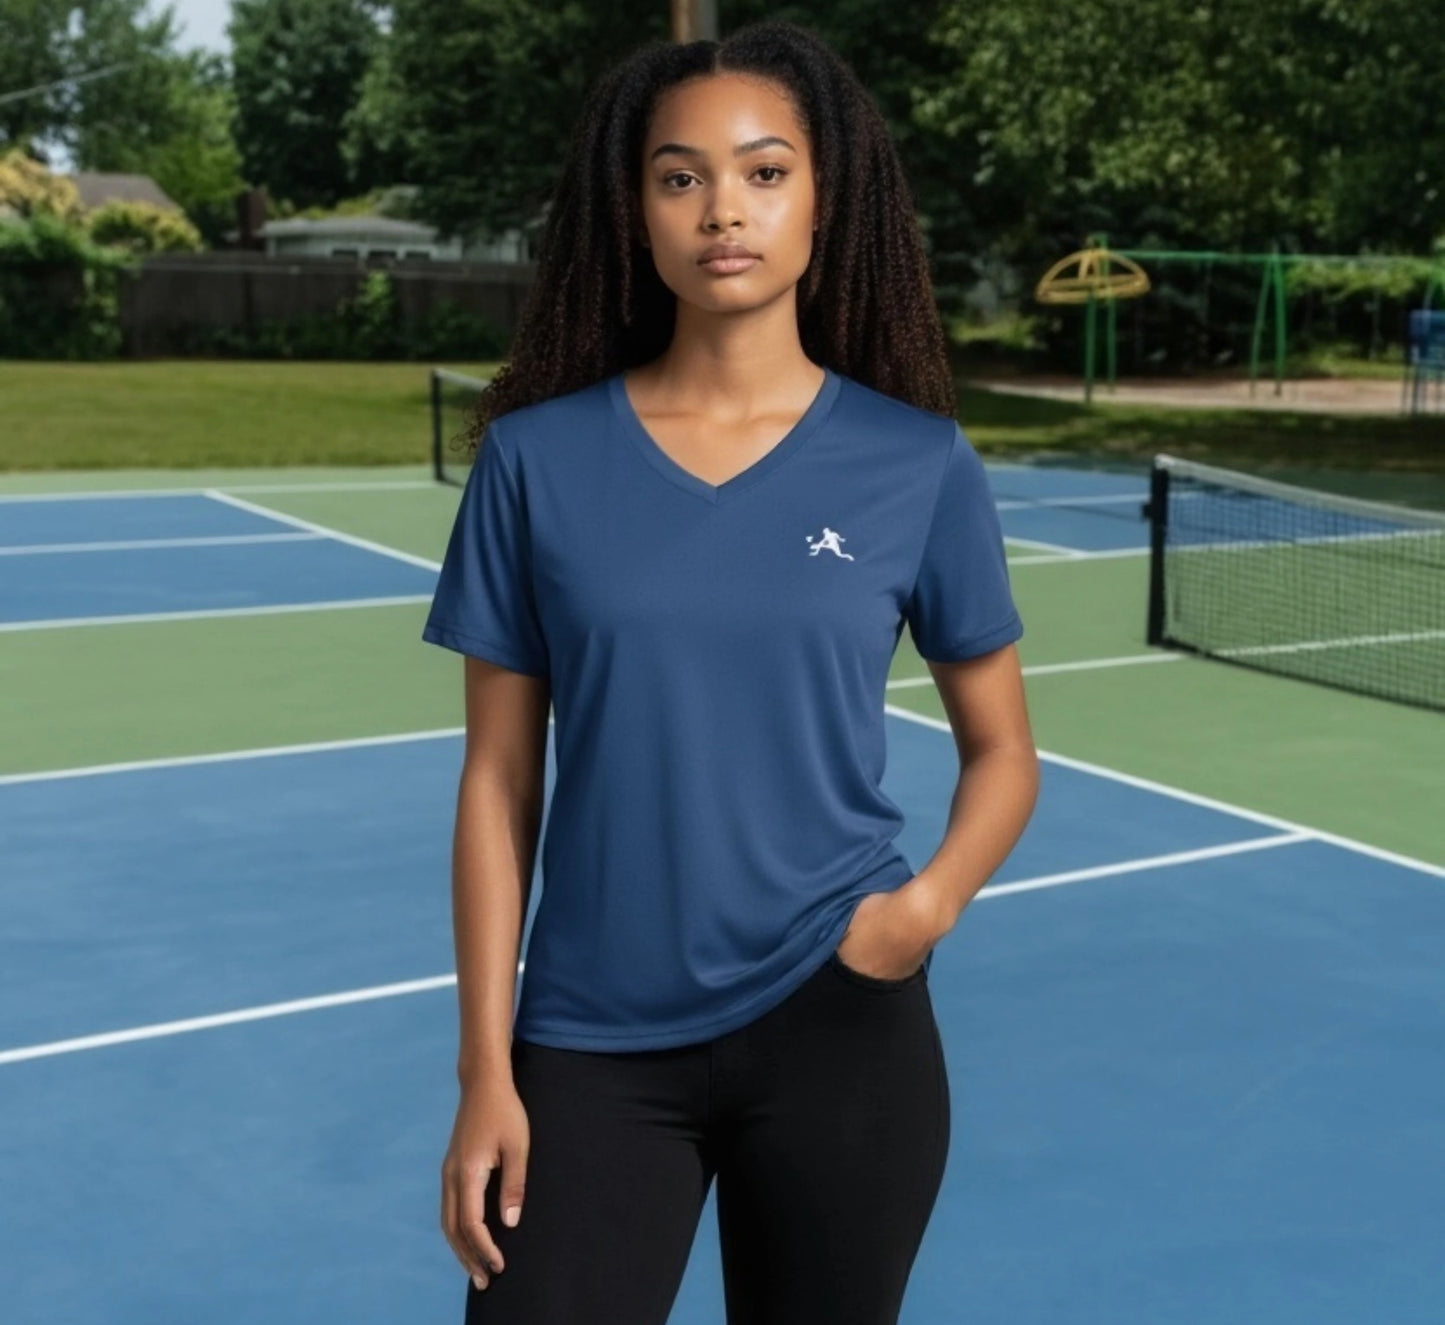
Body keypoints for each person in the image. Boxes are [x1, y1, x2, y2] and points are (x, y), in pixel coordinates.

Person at [421, 18, 1039, 1324]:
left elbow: (1003, 751)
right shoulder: (532, 463)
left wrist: (917, 913)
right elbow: (495, 781)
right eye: (678, 174)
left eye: (764, 171)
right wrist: (486, 1064)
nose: (722, 209)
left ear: (825, 199)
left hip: (841, 1023)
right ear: (634, 210)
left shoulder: (916, 462)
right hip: (588, 1039)